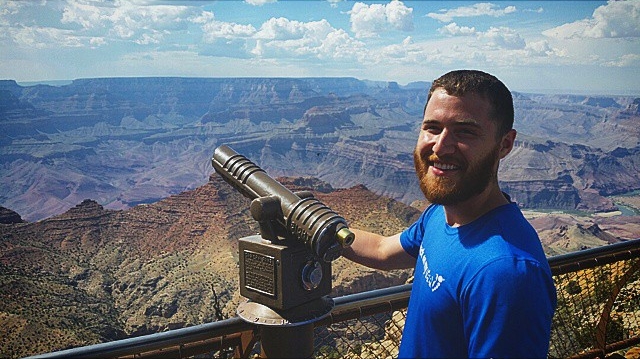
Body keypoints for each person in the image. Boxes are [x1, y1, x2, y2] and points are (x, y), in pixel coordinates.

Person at [343, 70, 557, 358]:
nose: (440, 147)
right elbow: (382, 250)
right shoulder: (442, 214)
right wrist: (319, 227)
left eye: (465, 132)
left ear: (505, 144)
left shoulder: (504, 273)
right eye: (432, 128)